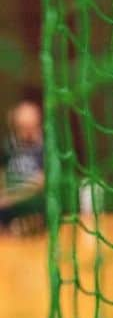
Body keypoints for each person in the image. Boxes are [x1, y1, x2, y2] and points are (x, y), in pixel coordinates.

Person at [0, 100, 46, 235]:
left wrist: (10, 197)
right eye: (21, 127)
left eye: (30, 126)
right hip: (8, 204)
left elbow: (40, 182)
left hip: (31, 202)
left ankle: (23, 225)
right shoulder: (8, 146)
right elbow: (3, 174)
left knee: (38, 207)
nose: (25, 132)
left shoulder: (44, 148)